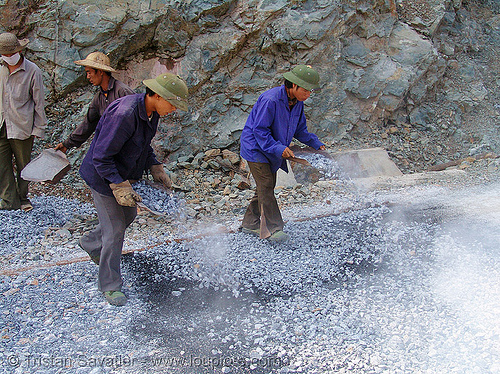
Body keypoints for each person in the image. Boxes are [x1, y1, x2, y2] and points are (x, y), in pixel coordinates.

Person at [79, 73, 188, 306]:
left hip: (124, 174)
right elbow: (101, 156)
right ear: (157, 95)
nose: (174, 109)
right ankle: (110, 284)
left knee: (128, 214)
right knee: (115, 229)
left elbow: (142, 144)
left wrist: (155, 165)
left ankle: (89, 242)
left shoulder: (152, 113)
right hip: (103, 177)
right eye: (173, 103)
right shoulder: (124, 114)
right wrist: (119, 185)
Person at [239, 65, 326, 242]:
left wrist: (316, 144)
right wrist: (279, 148)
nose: (308, 94)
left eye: (311, 91)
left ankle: (249, 224)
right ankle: (273, 229)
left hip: (271, 149)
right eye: (306, 90)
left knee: (265, 188)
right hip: (256, 147)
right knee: (266, 187)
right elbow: (260, 130)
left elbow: (300, 131)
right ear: (293, 85)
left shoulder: (297, 104)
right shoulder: (270, 100)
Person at [0, 32, 47, 212]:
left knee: (23, 166)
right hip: (2, 124)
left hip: (22, 126)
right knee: (2, 165)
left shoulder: (32, 71)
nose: (7, 58)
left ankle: (22, 198)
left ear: (18, 52)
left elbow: (39, 102)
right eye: (4, 55)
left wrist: (38, 128)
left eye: (10, 54)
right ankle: (8, 200)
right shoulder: (1, 68)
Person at [54, 51, 135, 154]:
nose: (88, 77)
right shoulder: (99, 98)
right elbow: (88, 124)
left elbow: (137, 122)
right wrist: (67, 144)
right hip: (113, 148)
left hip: (127, 149)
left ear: (100, 71)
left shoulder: (123, 92)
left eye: (89, 72)